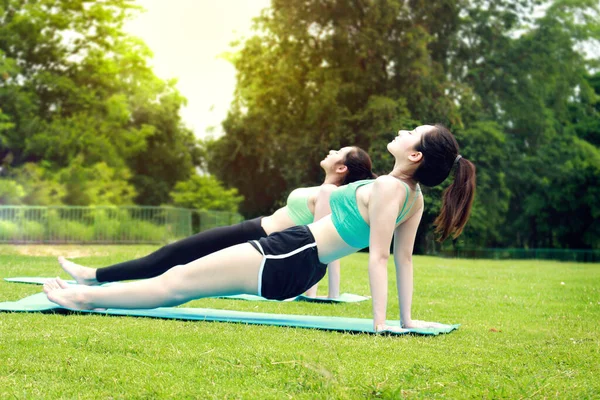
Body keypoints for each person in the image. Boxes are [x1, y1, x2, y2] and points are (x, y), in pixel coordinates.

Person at [45, 124, 476, 332]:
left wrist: (381, 324)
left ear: (416, 155)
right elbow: (404, 260)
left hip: (293, 253)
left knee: (176, 282)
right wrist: (403, 321)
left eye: (412, 132)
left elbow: (383, 257)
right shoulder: (412, 197)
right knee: (177, 279)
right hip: (299, 258)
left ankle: (84, 297)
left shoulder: (388, 187)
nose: (402, 131)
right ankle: (88, 293)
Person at [57, 146, 376, 299]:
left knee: (172, 256)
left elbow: (319, 245)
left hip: (257, 236)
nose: (332, 150)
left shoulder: (327, 193)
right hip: (256, 230)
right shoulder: (328, 191)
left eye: (339, 152)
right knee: (174, 258)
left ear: (343, 168)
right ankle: (97, 279)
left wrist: (317, 295)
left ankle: (94, 278)